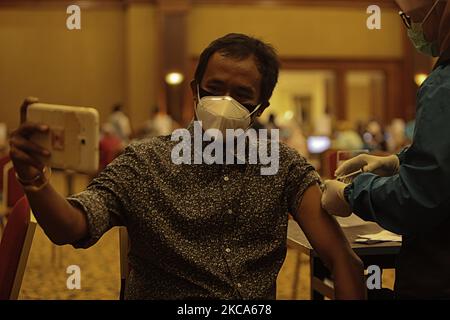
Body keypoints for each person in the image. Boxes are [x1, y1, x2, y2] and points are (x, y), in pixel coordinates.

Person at [9, 33, 365, 299]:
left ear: (260, 106)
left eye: (241, 96)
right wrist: (37, 182)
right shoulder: (145, 162)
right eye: (214, 89)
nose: (224, 104)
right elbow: (71, 226)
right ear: (195, 91)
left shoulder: (283, 167)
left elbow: (342, 260)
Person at [321, 0, 450, 299]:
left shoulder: (443, 85)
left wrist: (352, 194)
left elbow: (418, 198)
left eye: (409, 19)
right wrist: (398, 161)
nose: (411, 29)